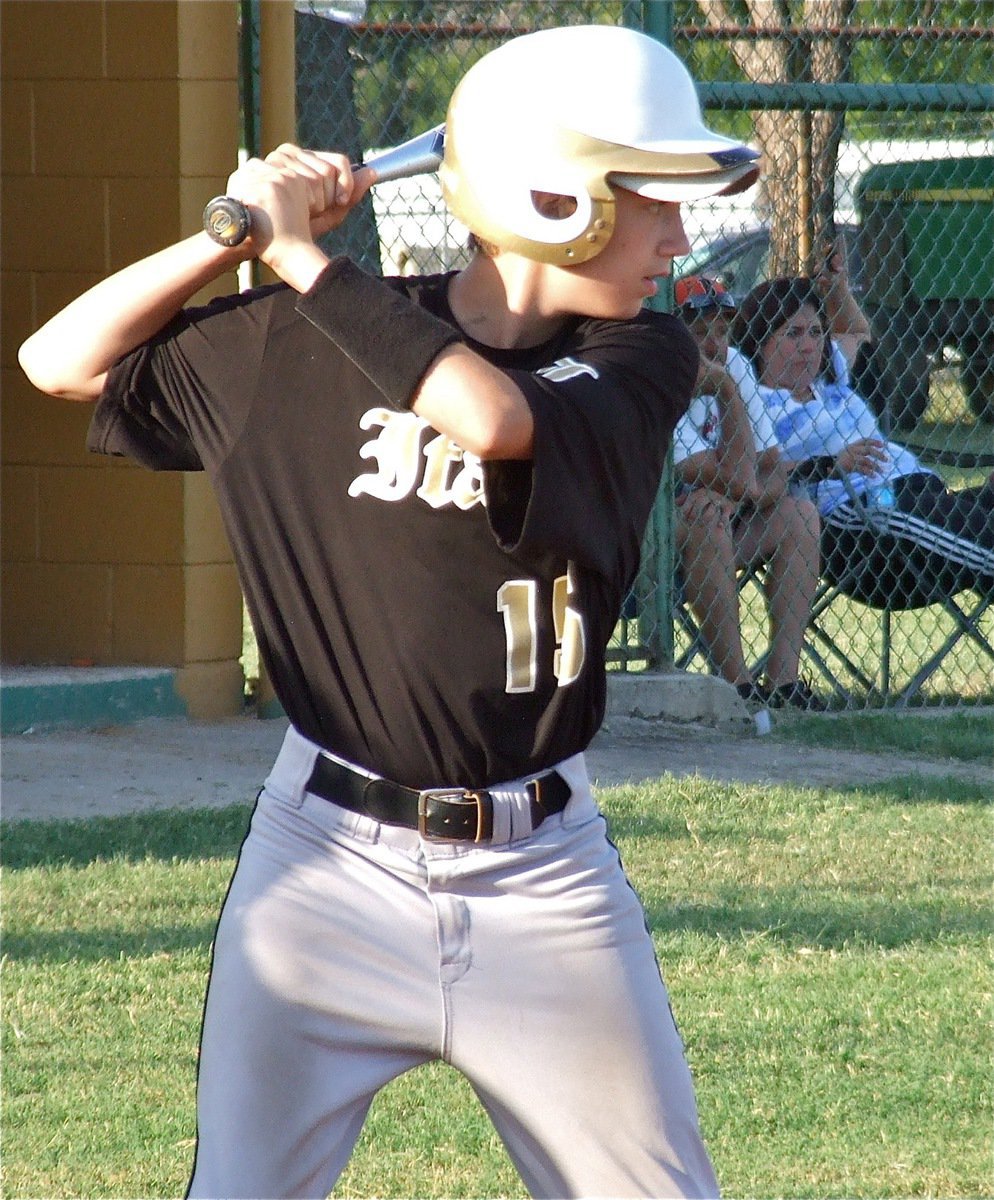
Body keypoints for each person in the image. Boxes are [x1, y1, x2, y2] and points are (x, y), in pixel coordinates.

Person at [18, 25, 760, 1200]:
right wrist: (233, 236)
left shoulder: (641, 355)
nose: (680, 232)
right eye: (651, 197)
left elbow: (495, 420)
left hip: (546, 879)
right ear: (549, 195)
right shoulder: (295, 344)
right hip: (323, 871)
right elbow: (57, 360)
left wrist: (308, 261)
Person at [734, 258, 994, 610]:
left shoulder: (828, 383)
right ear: (759, 343)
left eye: (815, 333)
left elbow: (857, 333)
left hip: (920, 495)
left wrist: (838, 289)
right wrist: (830, 463)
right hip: (865, 527)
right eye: (792, 334)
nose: (809, 346)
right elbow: (754, 472)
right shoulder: (754, 404)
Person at [672, 276, 824, 711]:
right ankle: (738, 687)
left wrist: (735, 497)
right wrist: (736, 489)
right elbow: (697, 470)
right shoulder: (663, 372)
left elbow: (772, 468)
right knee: (709, 523)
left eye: (722, 330)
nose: (715, 344)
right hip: (660, 540)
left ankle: (783, 682)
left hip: (721, 512)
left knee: (800, 516)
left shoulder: (732, 364)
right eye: (700, 332)